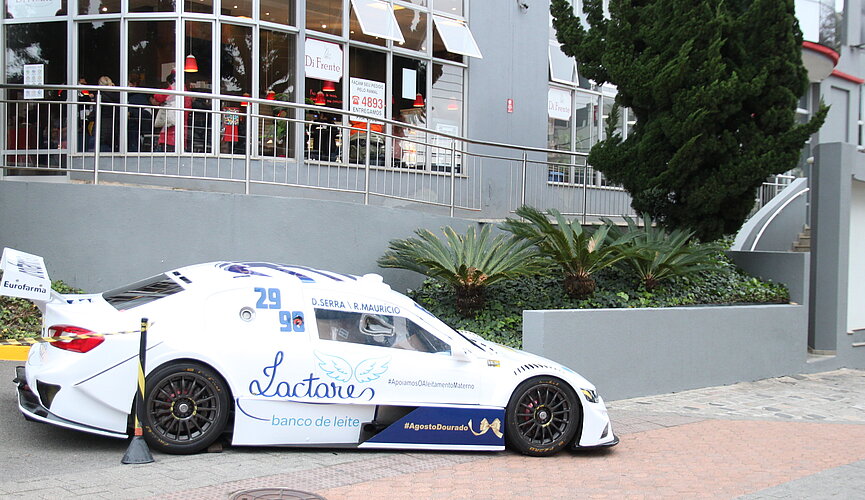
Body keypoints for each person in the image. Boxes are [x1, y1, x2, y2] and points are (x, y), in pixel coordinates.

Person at [150, 71, 191, 152]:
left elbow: (159, 97)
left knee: (167, 152)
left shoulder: (175, 87)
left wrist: (156, 97)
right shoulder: (184, 90)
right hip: (181, 126)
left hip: (171, 130)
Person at [86, 76, 120, 152]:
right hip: (113, 127)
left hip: (100, 127)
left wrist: (89, 116)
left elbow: (95, 113)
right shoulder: (117, 95)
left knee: (93, 152)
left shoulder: (100, 96)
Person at [126, 74, 153, 152]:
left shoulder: (139, 97)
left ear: (134, 84)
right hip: (129, 128)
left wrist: (131, 113)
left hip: (135, 129)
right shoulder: (126, 96)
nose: (127, 85)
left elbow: (147, 114)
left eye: (129, 83)